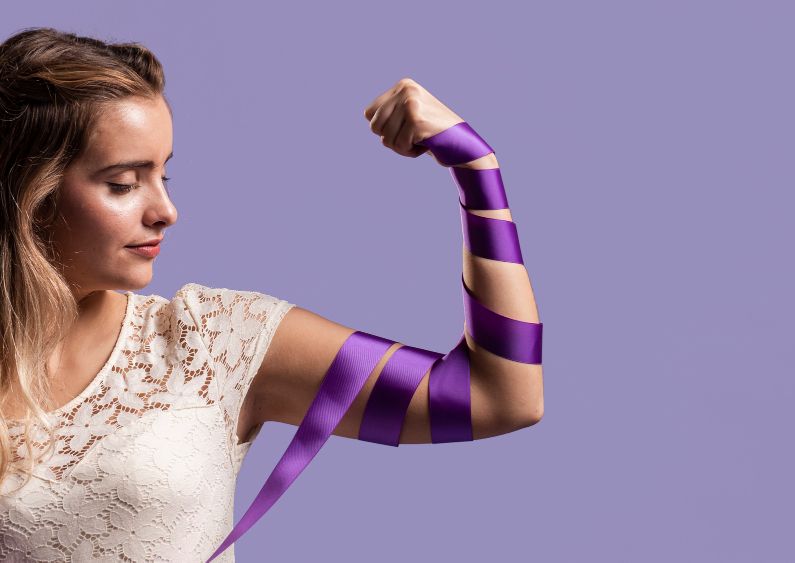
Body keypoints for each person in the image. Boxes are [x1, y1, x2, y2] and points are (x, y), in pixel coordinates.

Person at [0, 27, 543, 562]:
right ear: (28, 189)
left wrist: (479, 175)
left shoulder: (212, 341)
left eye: (165, 175)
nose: (165, 211)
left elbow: (498, 397)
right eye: (123, 183)